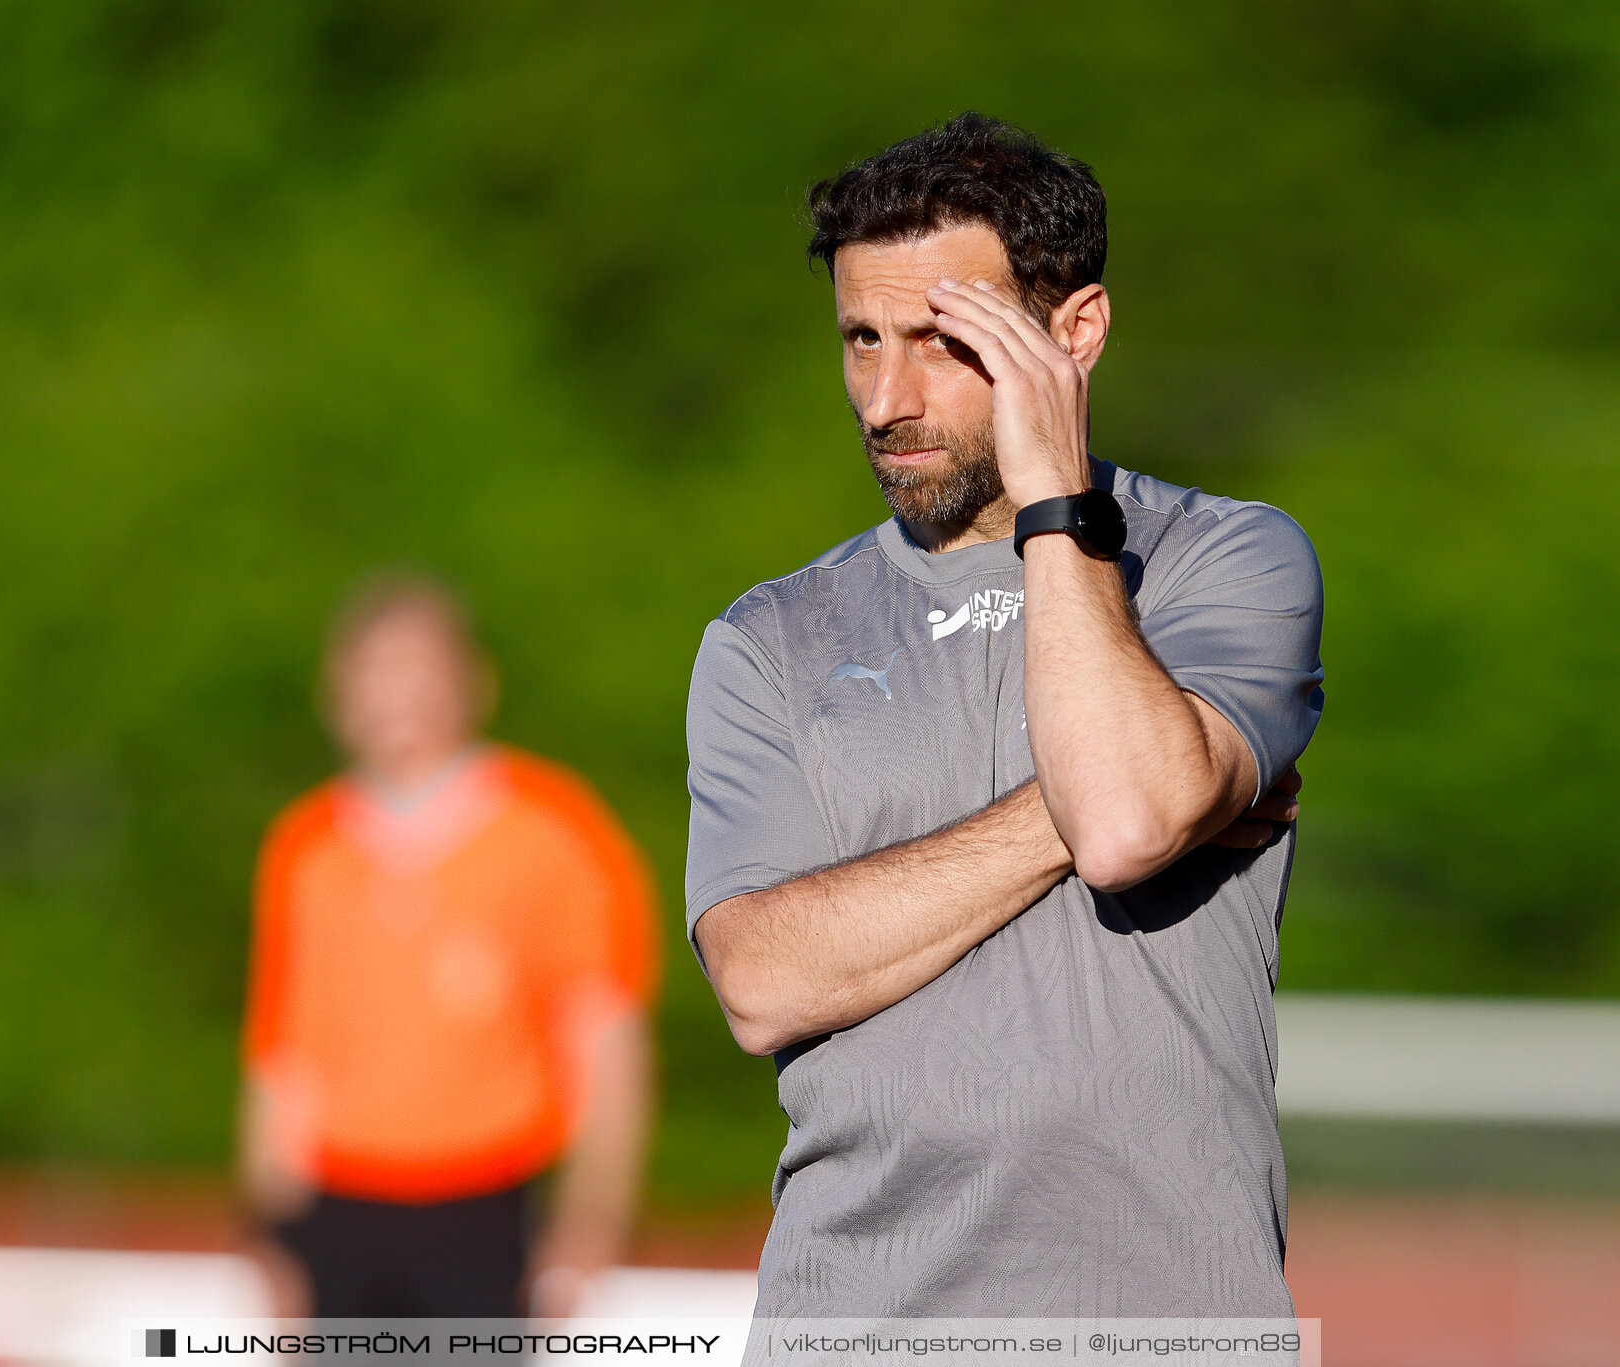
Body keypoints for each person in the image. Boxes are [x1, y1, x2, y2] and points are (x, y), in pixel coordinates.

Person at [685, 114, 1324, 1318]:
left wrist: (1054, 507)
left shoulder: (1226, 559)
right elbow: (763, 979)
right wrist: (1069, 806)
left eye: (940, 341)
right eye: (860, 340)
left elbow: (1129, 824)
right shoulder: (769, 638)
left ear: (1072, 331)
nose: (884, 397)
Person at [240, 576, 658, 1317]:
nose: (399, 695)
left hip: (485, 1207)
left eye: (420, 668)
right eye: (376, 671)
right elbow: (284, 1062)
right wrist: (268, 1237)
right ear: (337, 694)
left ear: (472, 682)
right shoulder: (304, 850)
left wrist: (591, 1221)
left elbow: (603, 1038)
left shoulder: (554, 832)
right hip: (337, 1209)